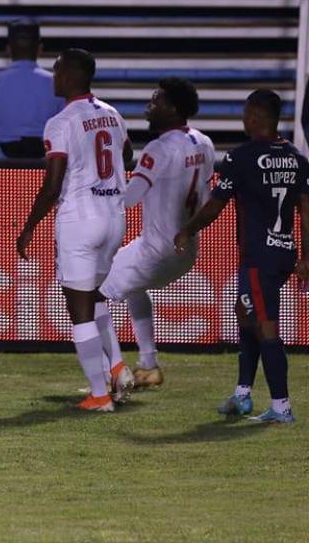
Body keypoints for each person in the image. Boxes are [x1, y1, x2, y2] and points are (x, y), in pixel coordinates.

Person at [175, 90, 309, 425]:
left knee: (265, 327)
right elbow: (307, 213)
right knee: (245, 314)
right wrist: (306, 258)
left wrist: (187, 229)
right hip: (283, 252)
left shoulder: (241, 158)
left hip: (258, 256)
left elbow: (215, 205)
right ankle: (243, 394)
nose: (243, 117)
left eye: (246, 112)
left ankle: (281, 407)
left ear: (255, 116)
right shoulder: (297, 158)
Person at [16, 49, 133, 412]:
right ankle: (116, 368)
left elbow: (52, 185)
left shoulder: (61, 122)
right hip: (113, 217)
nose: (53, 76)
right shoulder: (112, 114)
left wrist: (29, 227)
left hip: (80, 220)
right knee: (95, 297)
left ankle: (99, 395)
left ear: (71, 76)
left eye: (57, 70)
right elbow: (126, 156)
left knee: (78, 308)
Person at [99, 79, 214, 388]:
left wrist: (100, 184)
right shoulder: (204, 143)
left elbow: (130, 197)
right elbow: (206, 200)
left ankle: (113, 375)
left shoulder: (159, 148)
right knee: (135, 288)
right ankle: (148, 365)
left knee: (91, 294)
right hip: (186, 249)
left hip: (156, 250)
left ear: (173, 109)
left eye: (156, 101)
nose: (149, 107)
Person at [0, 20, 64, 159]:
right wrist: (48, 160)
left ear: (8, 49)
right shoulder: (57, 84)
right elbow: (67, 127)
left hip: (6, 159)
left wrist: (1, 162)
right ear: (40, 49)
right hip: (45, 162)